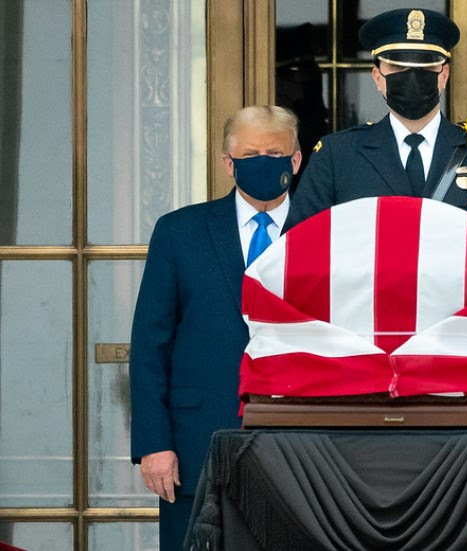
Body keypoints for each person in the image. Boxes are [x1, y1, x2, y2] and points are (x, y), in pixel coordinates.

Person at [129, 105, 302, 550]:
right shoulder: (179, 232)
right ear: (228, 163)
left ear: (296, 160)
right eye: (250, 153)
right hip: (194, 447)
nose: (264, 161)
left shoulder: (325, 231)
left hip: (303, 450)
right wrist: (154, 444)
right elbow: (151, 345)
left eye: (275, 152)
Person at [283, 8, 467, 279]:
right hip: (368, 319)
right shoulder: (336, 156)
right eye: (398, 66)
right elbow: (294, 257)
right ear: (377, 78)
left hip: (463, 319)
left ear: (444, 75)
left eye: (425, 66)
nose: (412, 76)